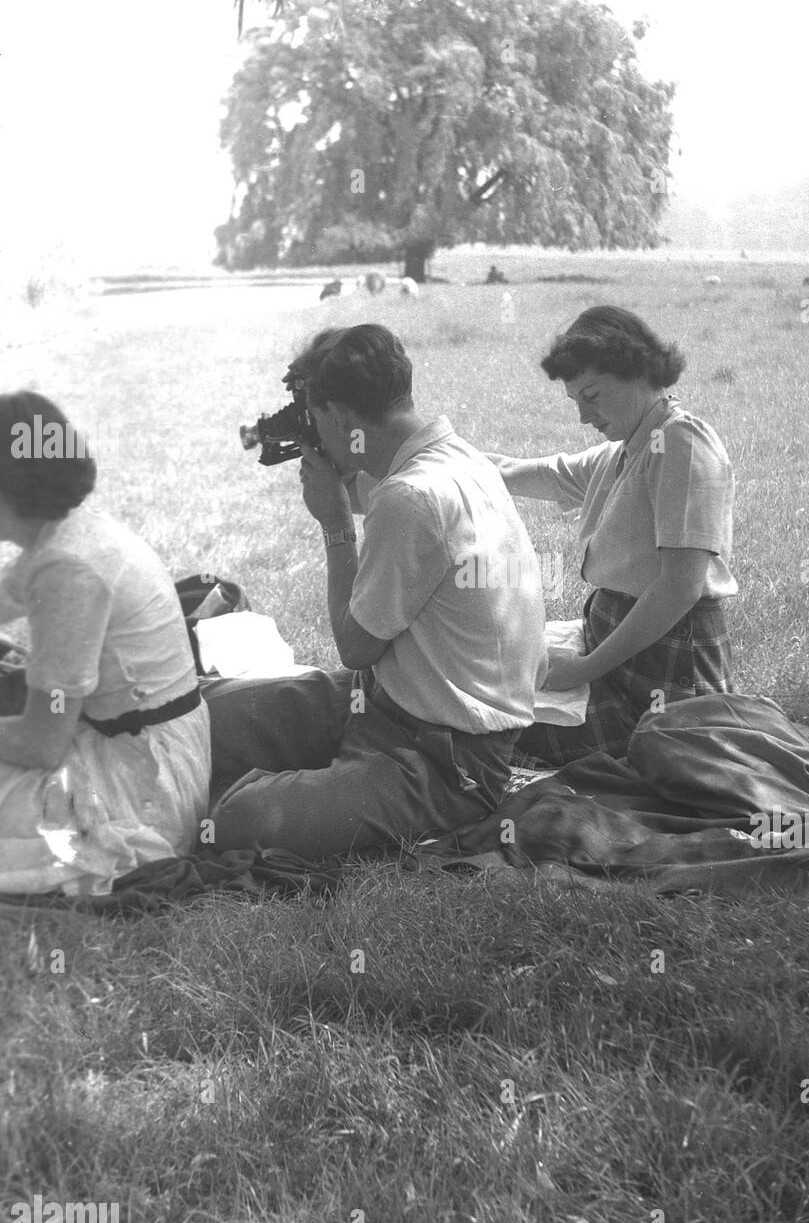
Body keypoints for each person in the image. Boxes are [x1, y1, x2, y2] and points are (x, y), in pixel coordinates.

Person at [204, 323, 547, 860]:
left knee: (238, 818)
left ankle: (308, 782)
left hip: (445, 760)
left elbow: (356, 646)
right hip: (387, 703)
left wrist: (335, 526)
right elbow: (377, 489)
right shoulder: (456, 460)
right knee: (206, 716)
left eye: (317, 420)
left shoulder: (410, 498)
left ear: (340, 416)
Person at [487, 305, 737, 765]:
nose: (584, 416)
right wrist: (437, 457)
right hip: (622, 661)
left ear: (638, 373)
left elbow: (680, 587)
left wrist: (583, 669)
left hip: (668, 681)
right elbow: (535, 473)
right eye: (576, 401)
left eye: (593, 395)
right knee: (494, 693)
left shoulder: (681, 443)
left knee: (494, 726)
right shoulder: (627, 450)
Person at [0, 391, 211, 896]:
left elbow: (40, 742)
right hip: (141, 747)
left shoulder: (67, 565)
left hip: (142, 783)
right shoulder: (68, 534)